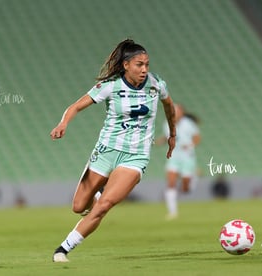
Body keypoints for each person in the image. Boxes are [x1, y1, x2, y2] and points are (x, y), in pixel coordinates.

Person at [49, 39, 176, 262]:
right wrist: (63, 123)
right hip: (106, 151)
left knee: (105, 205)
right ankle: (95, 197)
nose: (144, 69)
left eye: (146, 64)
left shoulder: (156, 84)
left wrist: (172, 134)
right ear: (126, 65)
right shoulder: (111, 86)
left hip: (135, 156)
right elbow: (76, 106)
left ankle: (63, 249)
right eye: (139, 64)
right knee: (79, 206)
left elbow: (169, 106)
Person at [157, 104, 200, 220]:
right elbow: (168, 137)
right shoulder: (167, 124)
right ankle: (172, 212)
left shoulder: (188, 123)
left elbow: (197, 137)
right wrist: (160, 141)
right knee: (171, 183)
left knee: (186, 188)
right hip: (174, 156)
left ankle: (191, 180)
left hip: (187, 156)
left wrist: (190, 145)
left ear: (182, 113)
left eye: (177, 111)